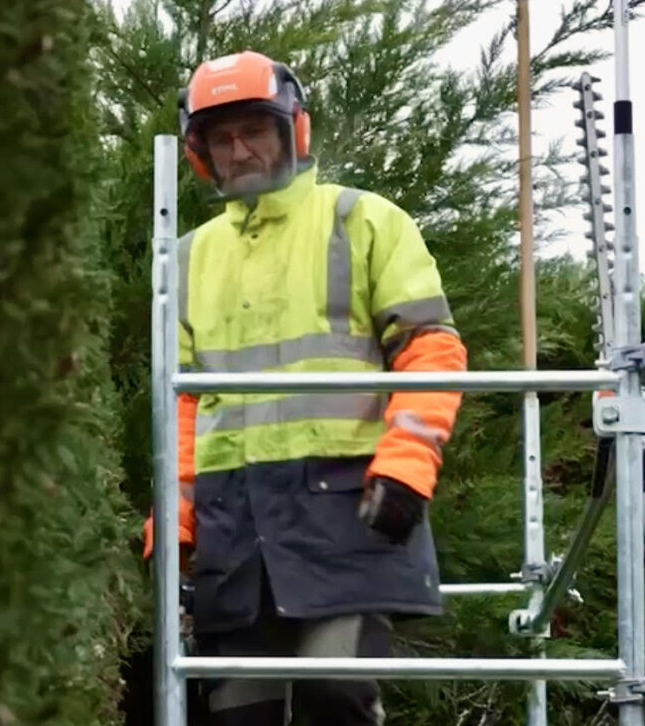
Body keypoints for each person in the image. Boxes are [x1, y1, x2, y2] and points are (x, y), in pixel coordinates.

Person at [144, 50, 468, 726]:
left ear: (293, 128)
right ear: (202, 154)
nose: (240, 150)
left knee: (335, 688)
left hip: (346, 508)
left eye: (254, 130)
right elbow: (182, 405)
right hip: (236, 527)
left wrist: (409, 464)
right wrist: (173, 525)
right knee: (241, 714)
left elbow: (430, 348)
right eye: (222, 138)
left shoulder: (365, 221)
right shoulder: (189, 256)